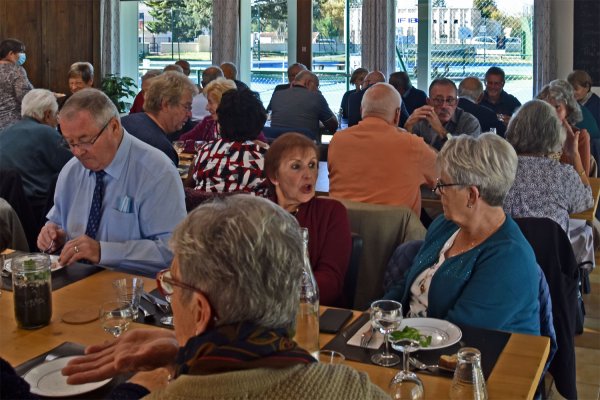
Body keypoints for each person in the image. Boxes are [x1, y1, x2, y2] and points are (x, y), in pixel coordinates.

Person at [60, 195, 388, 399]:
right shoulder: (350, 388)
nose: (171, 295)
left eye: (173, 284)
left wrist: (153, 377)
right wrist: (183, 354)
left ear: (201, 311)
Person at [385, 133, 540, 335]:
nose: (437, 191)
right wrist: (376, 316)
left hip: (473, 358)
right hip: (414, 341)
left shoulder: (509, 258)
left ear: (472, 195)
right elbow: (405, 285)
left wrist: (395, 338)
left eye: (444, 184)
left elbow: (459, 332)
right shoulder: (444, 226)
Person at [37, 89, 186, 277]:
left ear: (114, 127)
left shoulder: (156, 172)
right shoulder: (72, 171)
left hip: (133, 290)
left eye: (85, 141)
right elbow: (58, 221)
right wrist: (54, 234)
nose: (77, 152)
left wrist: (103, 251)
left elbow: (171, 252)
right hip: (76, 282)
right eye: (70, 143)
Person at [264, 132, 351, 306]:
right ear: (274, 177)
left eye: (312, 165)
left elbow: (331, 283)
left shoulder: (331, 213)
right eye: (296, 167)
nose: (308, 174)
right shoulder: (260, 215)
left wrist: (270, 293)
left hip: (315, 316)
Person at [328, 83, 437, 216]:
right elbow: (443, 176)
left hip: (344, 230)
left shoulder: (337, 141)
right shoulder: (412, 144)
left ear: (362, 110)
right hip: (398, 234)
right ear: (397, 114)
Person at [503, 100, 593, 232]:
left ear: (513, 128)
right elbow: (587, 201)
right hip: (554, 251)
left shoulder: (499, 171)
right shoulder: (563, 175)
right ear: (554, 134)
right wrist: (574, 155)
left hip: (510, 250)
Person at [0, 89, 72, 223]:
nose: (58, 120)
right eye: (57, 115)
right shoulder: (46, 133)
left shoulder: (5, 131)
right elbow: (75, 167)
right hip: (34, 213)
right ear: (47, 115)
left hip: (6, 213)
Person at [184, 88, 269, 195]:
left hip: (206, 210)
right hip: (250, 210)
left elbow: (187, 191)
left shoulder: (206, 151)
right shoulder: (267, 157)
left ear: (221, 121)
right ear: (259, 121)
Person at [121, 71, 199, 167]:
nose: (190, 114)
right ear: (165, 104)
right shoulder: (161, 148)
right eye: (186, 107)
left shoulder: (124, 122)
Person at [405, 78, 481, 150]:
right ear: (428, 102)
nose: (444, 106)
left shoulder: (469, 122)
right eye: (438, 100)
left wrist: (441, 131)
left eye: (450, 100)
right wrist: (407, 129)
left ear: (456, 103)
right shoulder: (420, 120)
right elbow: (408, 150)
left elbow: (468, 155)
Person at [537, 79, 592, 176]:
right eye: (546, 107)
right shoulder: (532, 133)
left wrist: (573, 154)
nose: (551, 113)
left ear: (568, 110)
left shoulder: (579, 137)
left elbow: (584, 183)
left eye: (557, 107)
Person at [270, 70, 338, 138]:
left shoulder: (277, 95)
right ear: (308, 83)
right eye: (317, 86)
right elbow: (333, 126)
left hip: (278, 144)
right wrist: (320, 97)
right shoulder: (316, 97)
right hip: (305, 145)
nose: (317, 89)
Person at [179, 78, 237, 153]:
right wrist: (206, 146)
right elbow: (182, 141)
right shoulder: (209, 122)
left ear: (224, 102)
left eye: (210, 102)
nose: (207, 107)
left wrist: (207, 147)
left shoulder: (245, 126)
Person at [0, 38, 33, 130]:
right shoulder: (16, 70)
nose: (23, 55)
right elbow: (23, 96)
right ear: (11, 54)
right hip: (12, 124)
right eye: (21, 52)